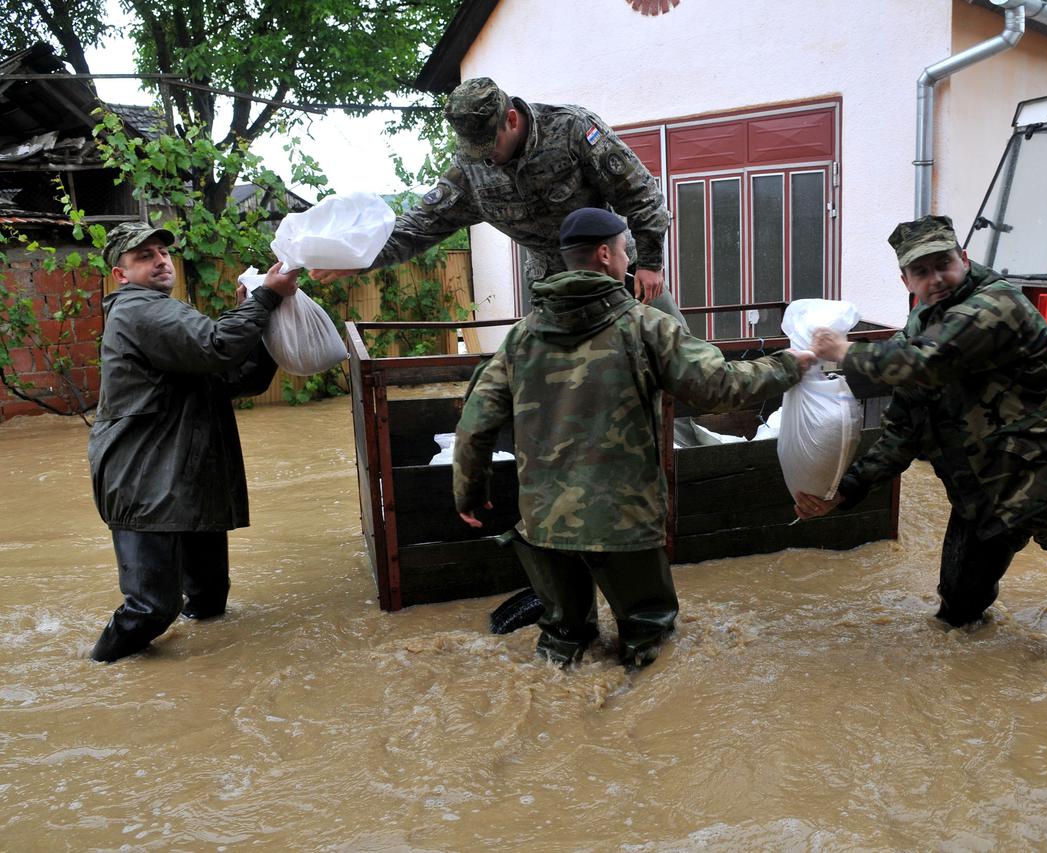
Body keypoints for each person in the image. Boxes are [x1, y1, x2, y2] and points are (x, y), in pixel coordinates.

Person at [452, 208, 813, 669]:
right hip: (623, 523)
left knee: (563, 645)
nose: (628, 260)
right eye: (625, 250)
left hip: (545, 525)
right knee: (651, 643)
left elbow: (475, 422)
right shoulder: (644, 326)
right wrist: (789, 365)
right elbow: (718, 387)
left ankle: (559, 734)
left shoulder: (521, 338)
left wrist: (468, 491)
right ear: (605, 255)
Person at [795, 214, 1047, 657]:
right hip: (984, 498)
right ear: (905, 279)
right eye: (921, 271)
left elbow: (928, 360)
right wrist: (844, 491)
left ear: (963, 257)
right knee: (958, 614)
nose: (936, 278)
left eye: (943, 264)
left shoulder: (997, 303)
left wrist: (843, 351)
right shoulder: (921, 326)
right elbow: (904, 428)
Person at [87, 223, 299, 663]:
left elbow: (237, 378)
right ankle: (97, 671)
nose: (161, 260)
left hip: (186, 477)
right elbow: (217, 346)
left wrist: (259, 320)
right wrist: (265, 298)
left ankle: (205, 684)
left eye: (162, 252)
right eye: (144, 255)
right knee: (150, 610)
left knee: (208, 601)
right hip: (144, 481)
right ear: (120, 275)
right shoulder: (139, 310)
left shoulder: (163, 314)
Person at [310, 77, 685, 324]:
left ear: (511, 119)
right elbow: (417, 227)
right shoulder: (470, 170)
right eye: (476, 151)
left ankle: (699, 442)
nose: (487, 158)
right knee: (564, 386)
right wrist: (357, 257)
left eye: (491, 146)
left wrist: (652, 263)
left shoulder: (571, 129)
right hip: (554, 288)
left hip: (622, 272)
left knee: (676, 354)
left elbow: (640, 193)